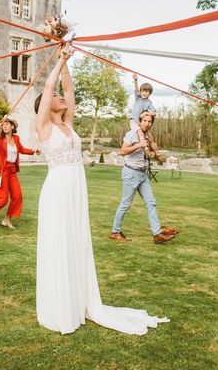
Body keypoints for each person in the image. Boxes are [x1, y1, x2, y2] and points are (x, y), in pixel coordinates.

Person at [34, 43, 169, 335]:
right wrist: (58, 61)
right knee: (60, 241)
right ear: (44, 108)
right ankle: (59, 304)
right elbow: (49, 87)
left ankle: (78, 298)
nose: (60, 97)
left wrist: (65, 56)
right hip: (57, 188)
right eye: (55, 98)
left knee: (76, 240)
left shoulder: (68, 124)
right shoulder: (43, 127)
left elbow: (67, 89)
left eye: (60, 97)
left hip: (76, 187)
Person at [110, 111, 176, 244]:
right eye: (144, 121)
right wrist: (139, 145)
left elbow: (155, 155)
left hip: (143, 174)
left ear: (152, 124)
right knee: (125, 204)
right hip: (131, 173)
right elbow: (122, 151)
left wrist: (159, 156)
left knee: (151, 203)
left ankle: (157, 234)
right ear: (140, 122)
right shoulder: (132, 134)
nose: (147, 123)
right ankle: (115, 232)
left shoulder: (148, 136)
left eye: (149, 121)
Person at [130, 73, 164, 163]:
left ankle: (157, 154)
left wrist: (146, 112)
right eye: (143, 91)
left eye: (147, 92)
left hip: (142, 123)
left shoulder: (149, 102)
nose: (144, 93)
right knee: (140, 133)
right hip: (134, 121)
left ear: (150, 93)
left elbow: (155, 113)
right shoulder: (138, 98)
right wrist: (136, 80)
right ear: (140, 92)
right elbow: (136, 89)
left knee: (150, 137)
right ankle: (145, 148)